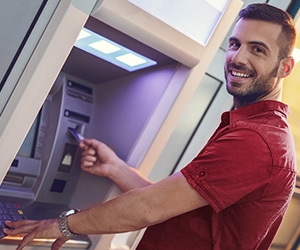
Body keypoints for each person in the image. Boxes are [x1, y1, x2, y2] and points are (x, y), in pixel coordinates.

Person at [3, 3, 297, 250]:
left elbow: (150, 208)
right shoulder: (254, 129)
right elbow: (172, 205)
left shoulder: (257, 140)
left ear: (284, 67)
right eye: (235, 44)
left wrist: (61, 225)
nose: (238, 58)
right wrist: (115, 167)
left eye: (257, 50)